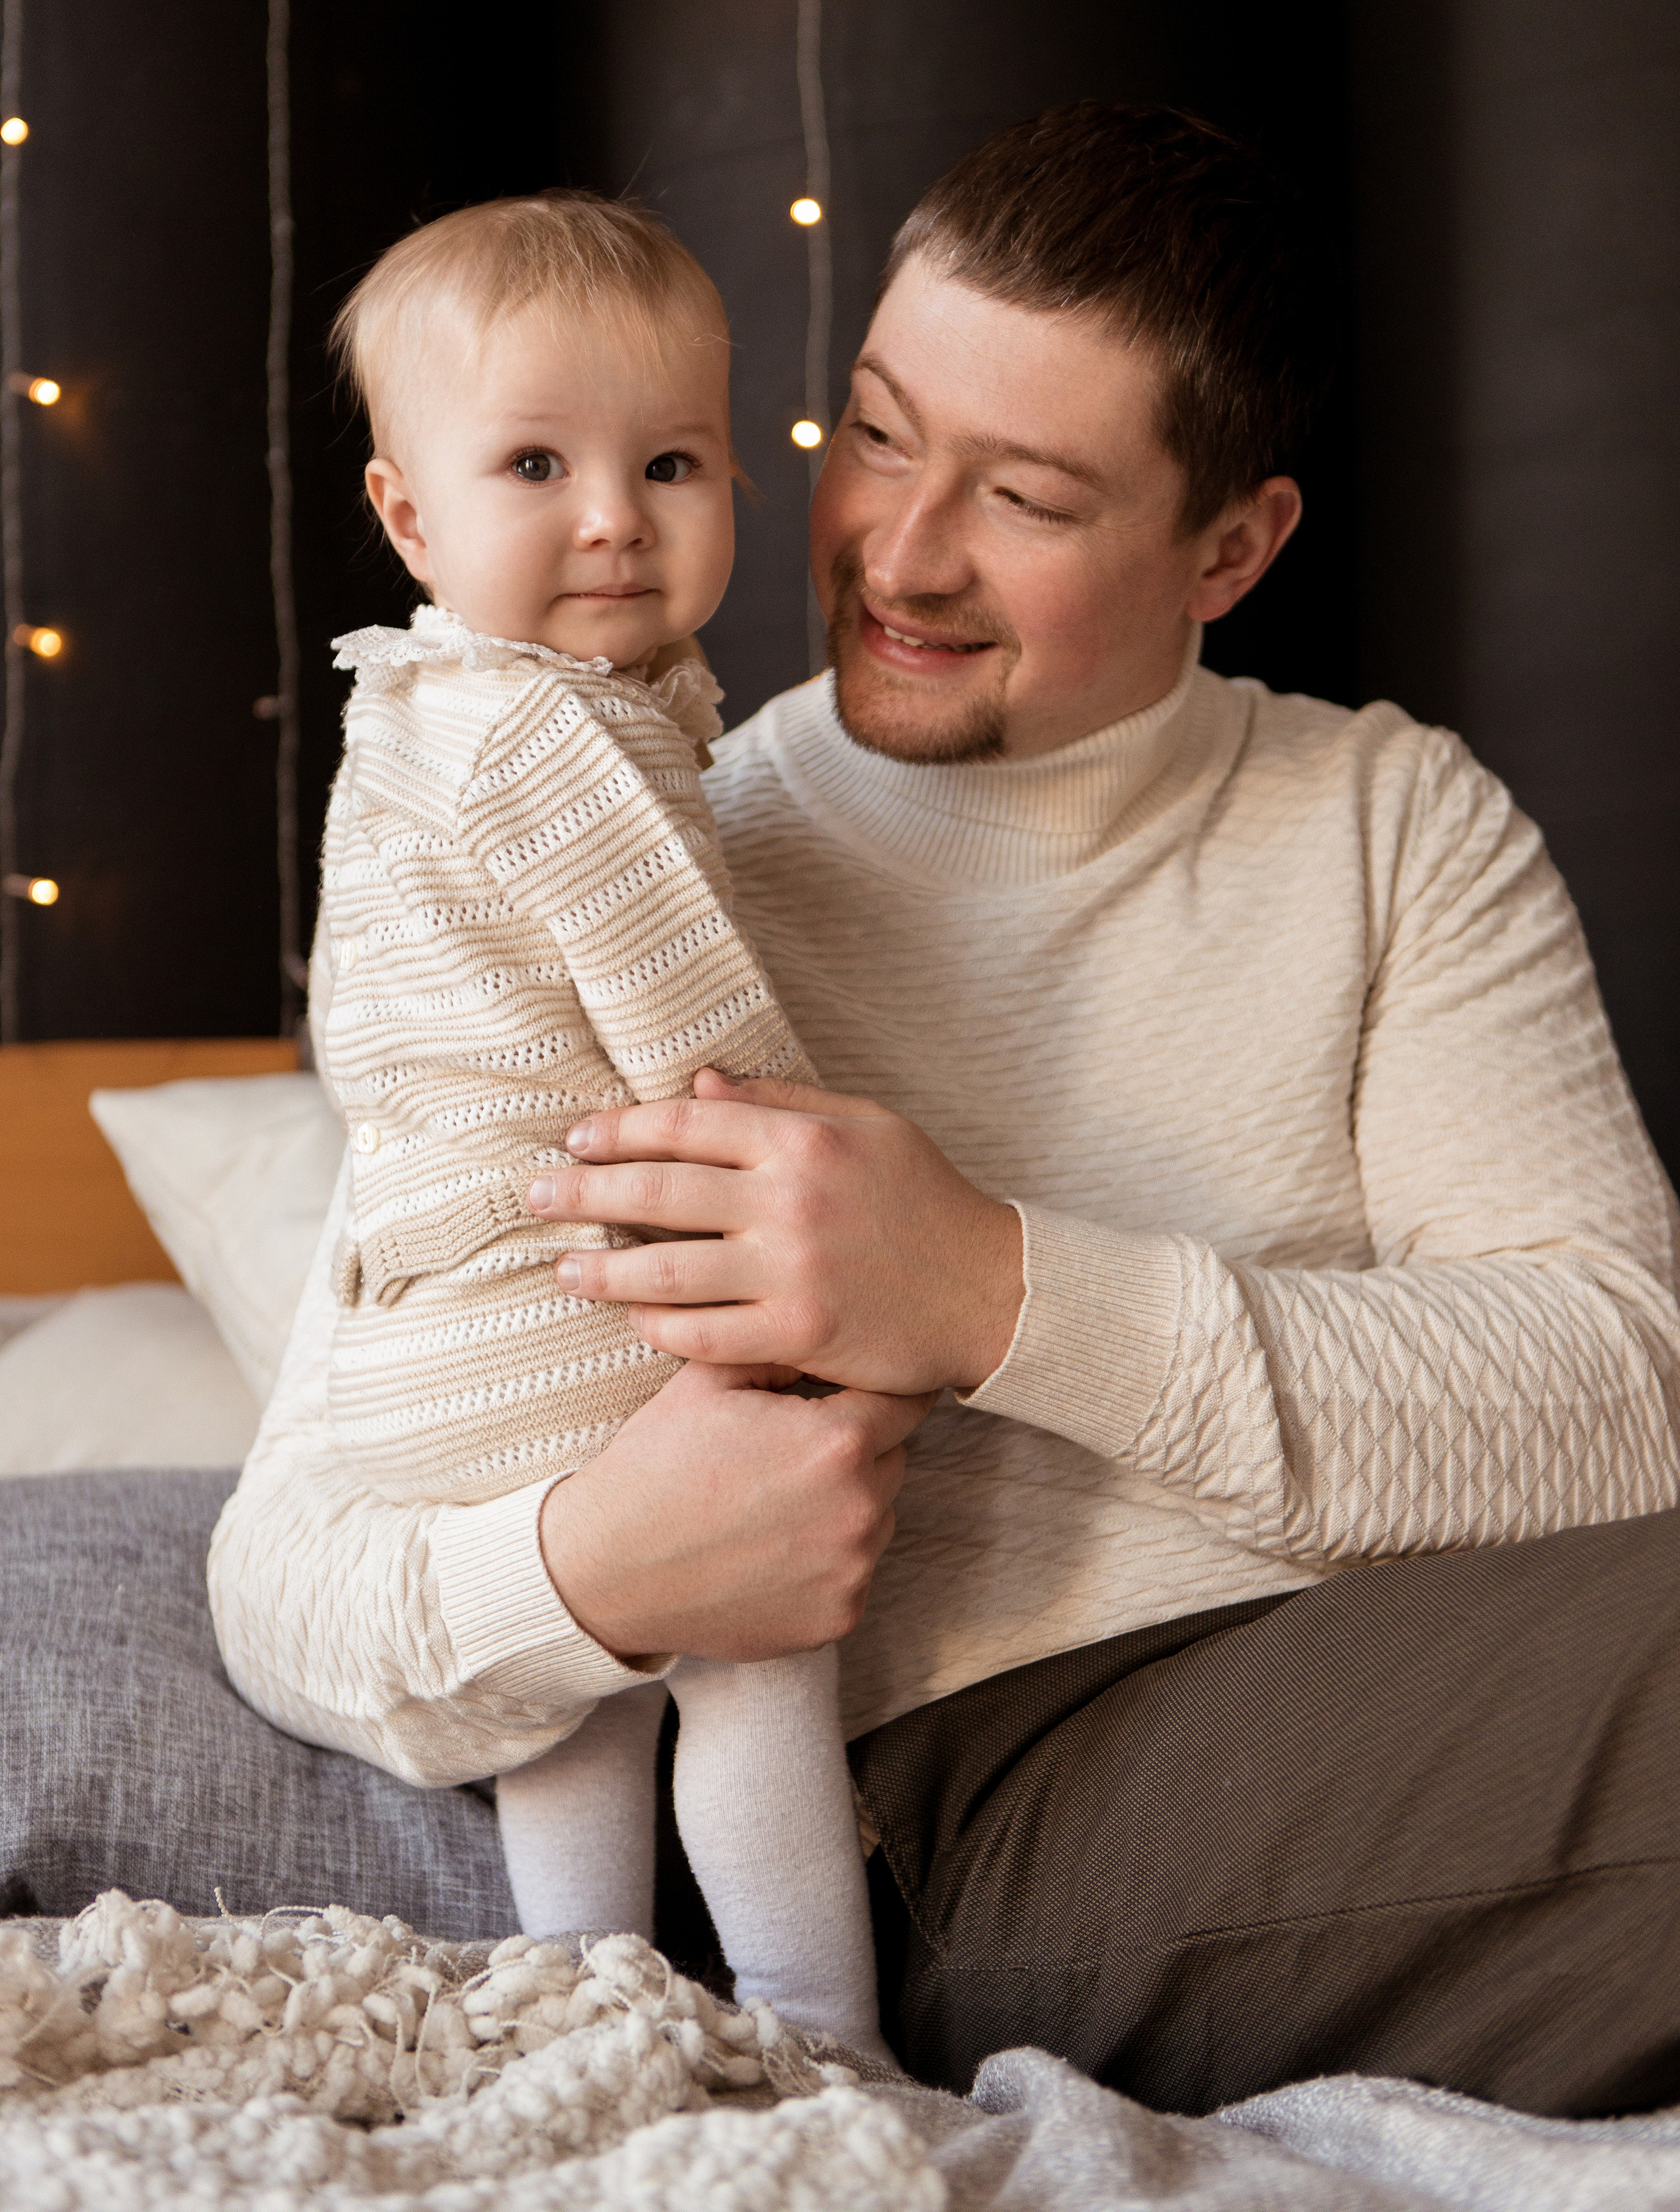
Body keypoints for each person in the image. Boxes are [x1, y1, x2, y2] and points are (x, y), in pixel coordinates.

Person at [211, 104, 1680, 2117]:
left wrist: (991, 1293)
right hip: (962, 1793)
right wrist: (592, 1573)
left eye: (1031, 499)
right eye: (880, 437)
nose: (901, 553)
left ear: (1231, 549)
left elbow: (1623, 1386)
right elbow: (286, 1570)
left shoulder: (1391, 821)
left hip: (1395, 1695)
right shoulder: (628, 850)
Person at [276, 189, 888, 2060]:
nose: (616, 513)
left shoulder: (417, 713)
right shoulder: (552, 739)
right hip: (565, 1303)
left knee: (586, 1695)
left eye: (673, 460)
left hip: (436, 1342)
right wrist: (840, 1200)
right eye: (537, 461)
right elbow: (707, 1048)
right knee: (762, 1666)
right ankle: (822, 2029)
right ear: (408, 513)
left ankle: (584, 2016)